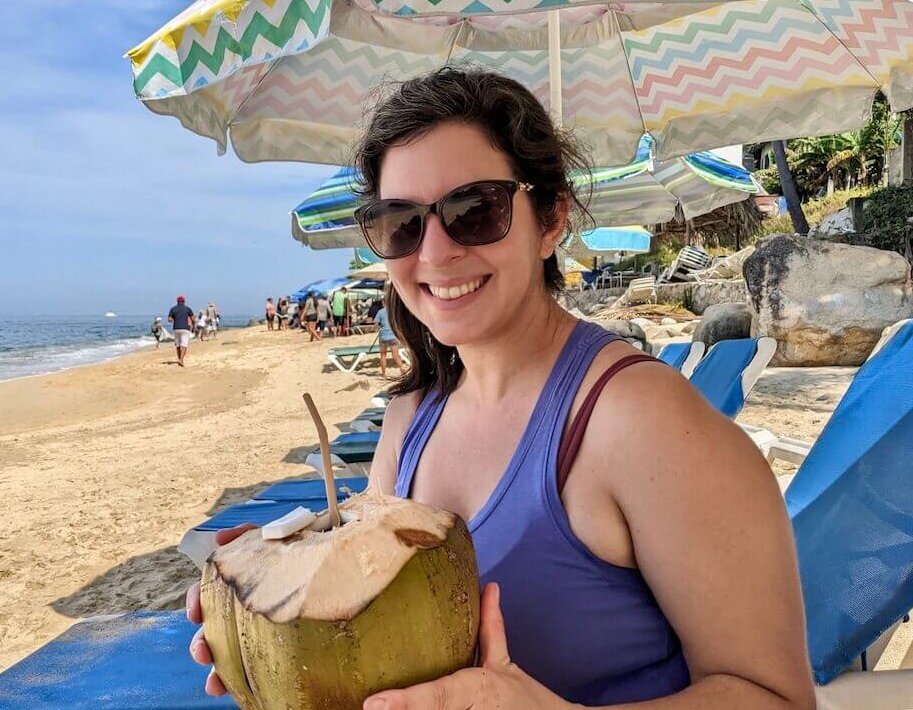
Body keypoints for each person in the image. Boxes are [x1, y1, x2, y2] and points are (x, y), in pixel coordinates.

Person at [186, 68, 814, 708]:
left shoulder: (640, 422)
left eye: (473, 210)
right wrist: (283, 599)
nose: (433, 253)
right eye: (401, 222)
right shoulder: (407, 422)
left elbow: (778, 697)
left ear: (551, 220)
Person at [373, 286, 403, 377]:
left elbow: (376, 323)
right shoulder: (393, 311)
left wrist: (376, 329)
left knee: (383, 355)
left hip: (383, 336)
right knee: (396, 355)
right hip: (393, 336)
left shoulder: (380, 312)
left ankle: (383, 373)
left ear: (383, 303)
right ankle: (402, 370)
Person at [167, 295, 193, 367]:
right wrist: (193, 326)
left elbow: (169, 319)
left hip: (176, 329)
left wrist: (174, 320)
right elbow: (193, 318)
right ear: (184, 301)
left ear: (177, 301)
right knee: (184, 345)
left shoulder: (173, 309)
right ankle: (181, 360)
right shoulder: (188, 309)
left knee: (178, 345)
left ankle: (179, 359)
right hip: (185, 329)